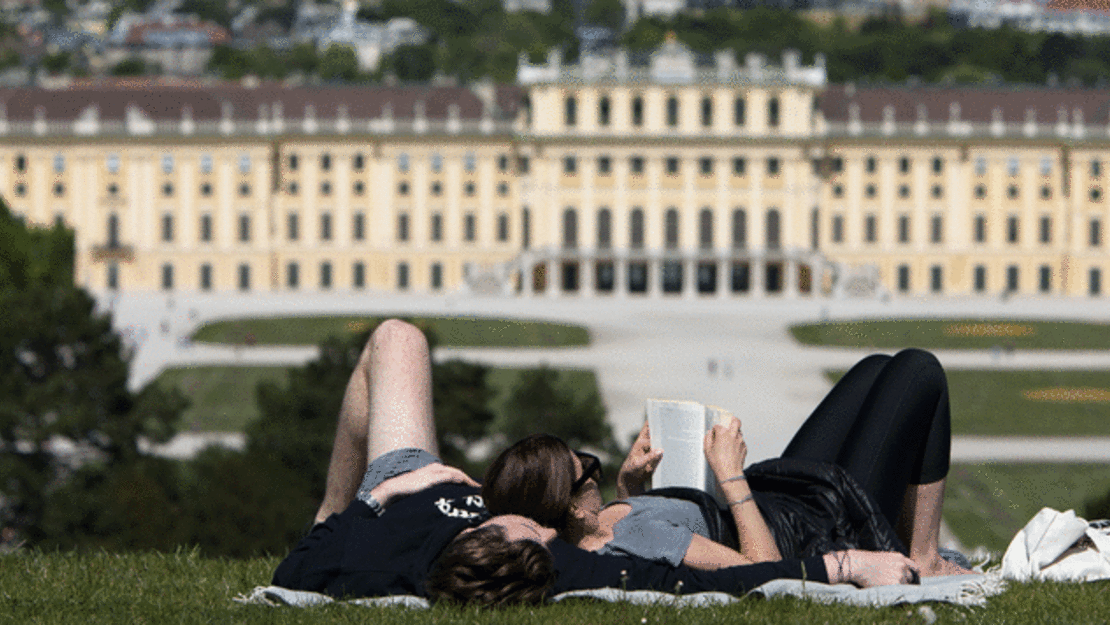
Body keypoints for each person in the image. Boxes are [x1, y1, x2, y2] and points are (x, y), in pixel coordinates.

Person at [273, 319, 922, 607]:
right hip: (780, 511)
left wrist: (359, 506)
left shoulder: (372, 556)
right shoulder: (566, 561)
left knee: (397, 337)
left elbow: (297, 568)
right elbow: (720, 583)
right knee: (906, 376)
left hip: (398, 479)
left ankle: (328, 500)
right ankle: (922, 544)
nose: (536, 521)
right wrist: (841, 565)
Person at [482, 348, 973, 578]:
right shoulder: (633, 540)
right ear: (571, 509)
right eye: (586, 469)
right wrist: (729, 473)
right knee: (917, 372)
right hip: (821, 528)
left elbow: (635, 529)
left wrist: (630, 489)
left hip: (781, 501)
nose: (594, 467)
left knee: (874, 370)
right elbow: (763, 571)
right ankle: (924, 556)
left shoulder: (595, 530)